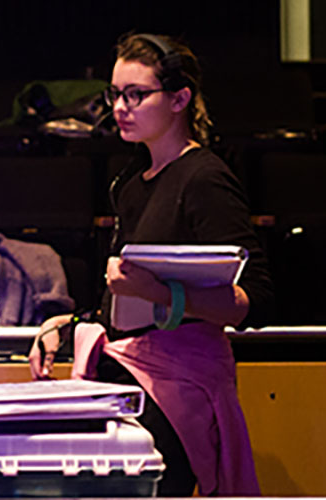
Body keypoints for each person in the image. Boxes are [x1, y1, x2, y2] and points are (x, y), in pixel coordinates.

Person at [29, 33, 273, 496]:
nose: (120, 106)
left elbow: (257, 301)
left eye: (136, 94)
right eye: (115, 94)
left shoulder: (205, 178)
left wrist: (163, 295)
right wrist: (71, 321)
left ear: (180, 98)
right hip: (130, 380)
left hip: (176, 391)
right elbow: (126, 300)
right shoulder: (131, 180)